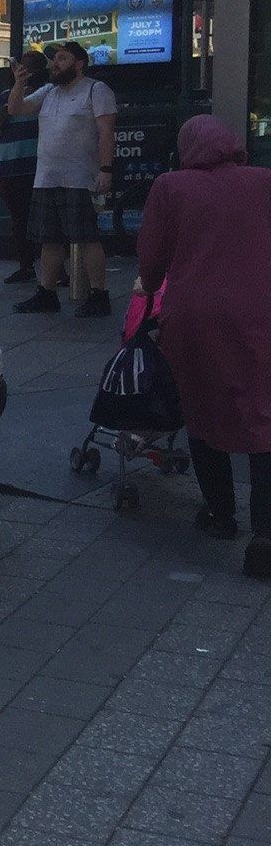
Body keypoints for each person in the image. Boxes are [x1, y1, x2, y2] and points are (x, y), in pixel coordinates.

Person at [137, 114, 271, 579]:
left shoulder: (171, 186)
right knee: (263, 413)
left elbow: (152, 256)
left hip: (195, 313)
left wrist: (150, 285)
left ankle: (220, 514)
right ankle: (266, 533)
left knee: (203, 409)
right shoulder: (264, 181)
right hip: (261, 308)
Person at [9, 40, 116, 317]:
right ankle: (47, 293)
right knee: (49, 239)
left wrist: (105, 169)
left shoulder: (96, 89)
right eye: (55, 59)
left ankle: (99, 295)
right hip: (46, 177)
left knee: (87, 237)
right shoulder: (48, 91)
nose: (55, 64)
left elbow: (106, 132)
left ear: (79, 64)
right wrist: (19, 83)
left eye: (63, 58)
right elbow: (15, 109)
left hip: (79, 177)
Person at [0, 52, 44, 283]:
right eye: (23, 70)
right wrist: (7, 109)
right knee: (20, 222)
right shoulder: (3, 98)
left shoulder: (47, 95)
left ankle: (57, 270)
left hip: (40, 168)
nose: (27, 75)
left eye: (32, 71)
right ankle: (26, 266)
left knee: (47, 221)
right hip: (11, 171)